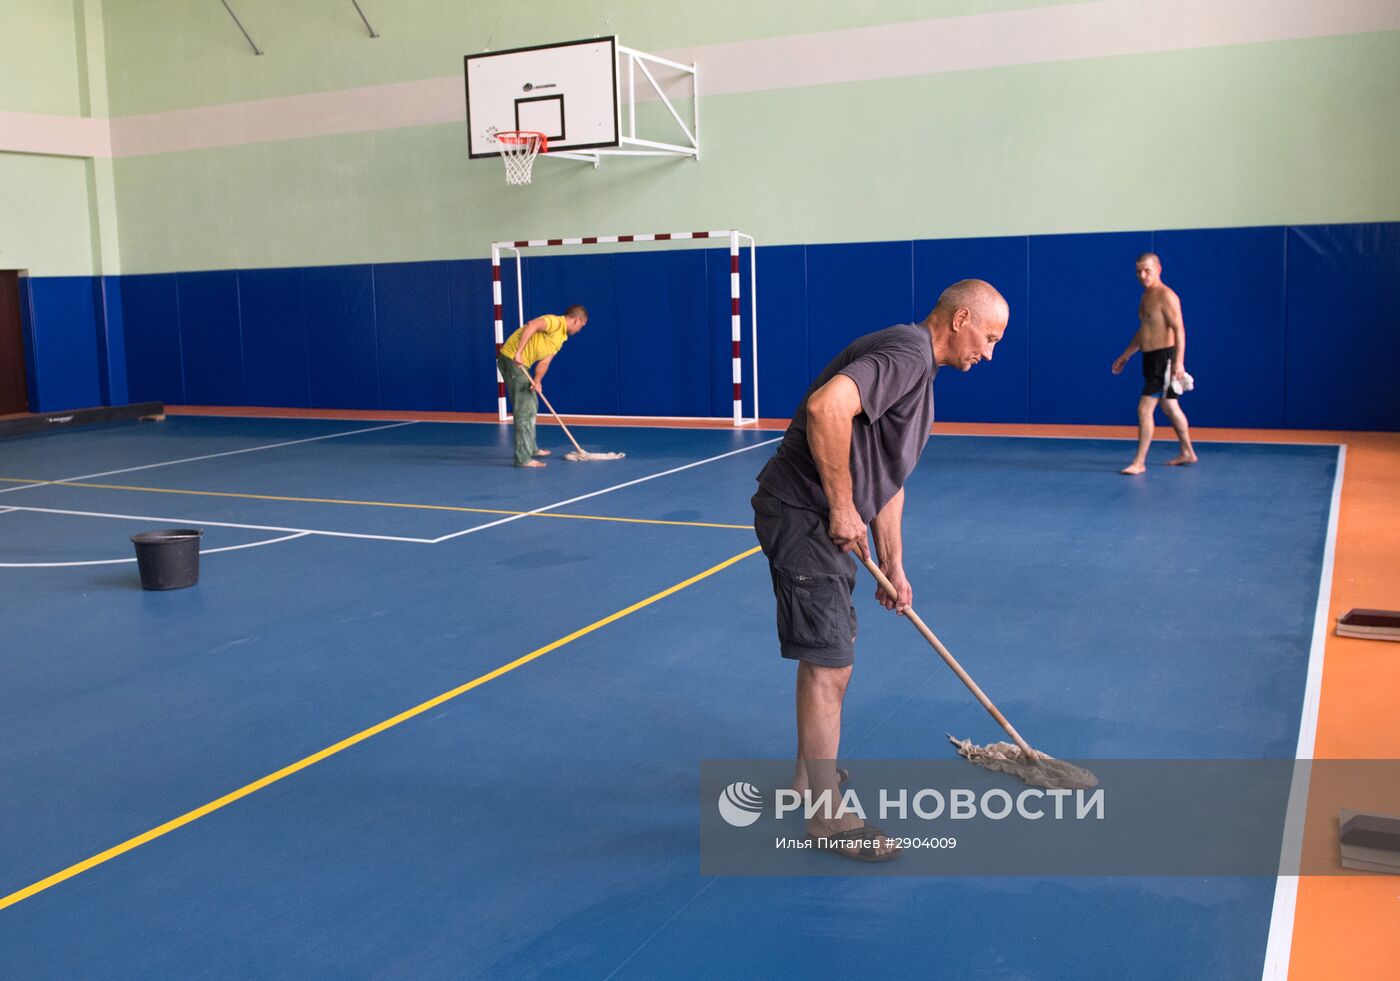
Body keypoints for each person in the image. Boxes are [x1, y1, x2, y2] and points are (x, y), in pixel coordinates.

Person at [751, 280, 1010, 862]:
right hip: (802, 513)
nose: (989, 353)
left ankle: (806, 781)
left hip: (819, 518)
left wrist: (893, 563)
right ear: (961, 317)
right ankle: (825, 818)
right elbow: (827, 408)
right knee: (830, 663)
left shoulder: (921, 378)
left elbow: (888, 477)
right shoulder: (907, 353)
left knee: (828, 655)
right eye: (989, 337)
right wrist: (842, 507)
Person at [1111, 254, 1196, 474]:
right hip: (1150, 358)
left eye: (1147, 270)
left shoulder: (1166, 296)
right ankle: (1187, 452)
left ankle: (1139, 462)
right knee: (1169, 406)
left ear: (1158, 269)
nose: (1142, 275)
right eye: (1139, 271)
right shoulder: (1146, 297)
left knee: (1144, 408)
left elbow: (1179, 330)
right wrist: (1126, 354)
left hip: (1164, 359)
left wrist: (1179, 362)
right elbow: (1144, 331)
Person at [496, 305, 588, 467]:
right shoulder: (555, 322)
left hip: (524, 364)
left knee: (532, 404)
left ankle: (531, 448)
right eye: (582, 325)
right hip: (512, 359)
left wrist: (537, 380)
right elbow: (532, 325)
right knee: (524, 409)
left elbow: (545, 361)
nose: (580, 330)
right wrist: (519, 352)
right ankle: (523, 459)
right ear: (577, 320)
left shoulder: (561, 338)